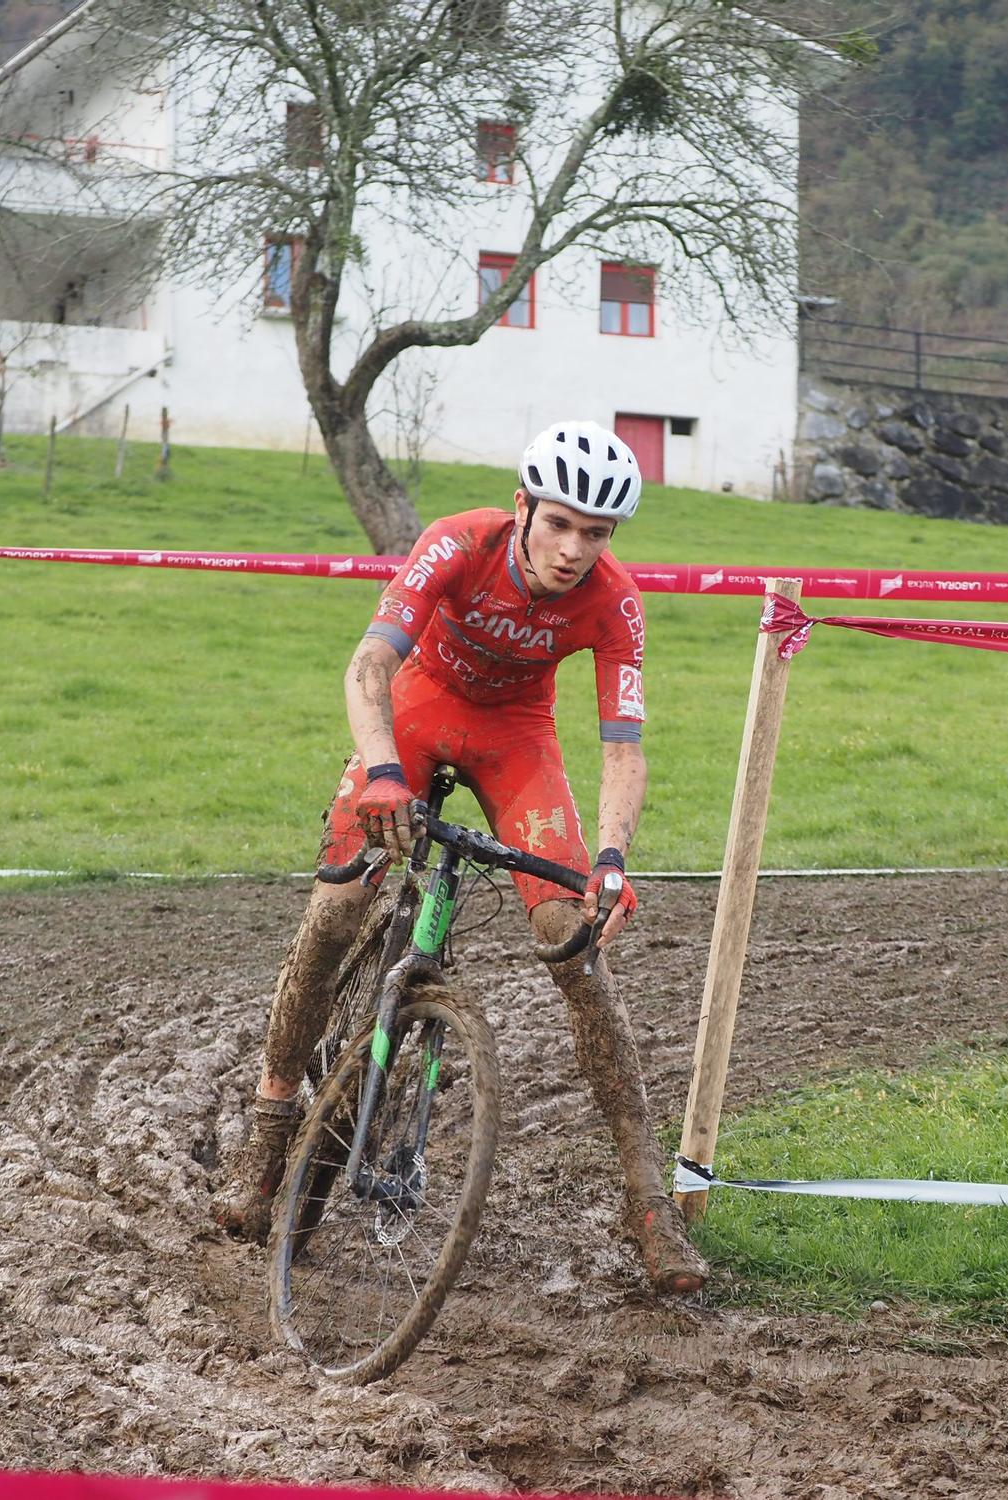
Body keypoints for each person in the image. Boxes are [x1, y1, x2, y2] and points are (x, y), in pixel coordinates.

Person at [220, 419, 706, 1296]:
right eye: (558, 523)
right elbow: (369, 665)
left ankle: (648, 1203)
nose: (573, 550)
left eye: (595, 534)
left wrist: (610, 858)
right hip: (413, 709)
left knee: (574, 943)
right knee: (334, 913)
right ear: (522, 508)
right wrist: (378, 774)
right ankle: (267, 1129)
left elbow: (624, 748)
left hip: (515, 738)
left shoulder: (615, 601)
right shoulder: (457, 541)